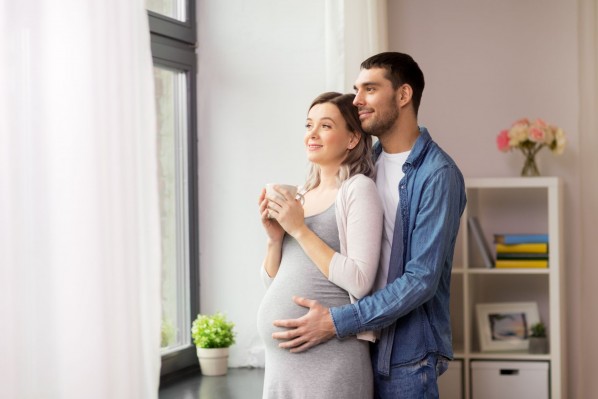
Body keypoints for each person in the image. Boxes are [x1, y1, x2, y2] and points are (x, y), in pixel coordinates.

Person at [271, 52, 467, 398]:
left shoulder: (437, 175)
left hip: (407, 355)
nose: (357, 100)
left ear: (403, 96)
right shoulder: (367, 165)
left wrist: (336, 321)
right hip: (360, 345)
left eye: (370, 89)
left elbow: (420, 279)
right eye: (356, 90)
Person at [256, 92, 384, 399]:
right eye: (309, 125)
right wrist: (275, 239)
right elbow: (273, 283)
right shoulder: (301, 194)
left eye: (325, 126)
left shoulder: (358, 190)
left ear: (353, 138)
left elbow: (360, 280)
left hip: (330, 360)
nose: (312, 134)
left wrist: (299, 230)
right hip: (281, 368)